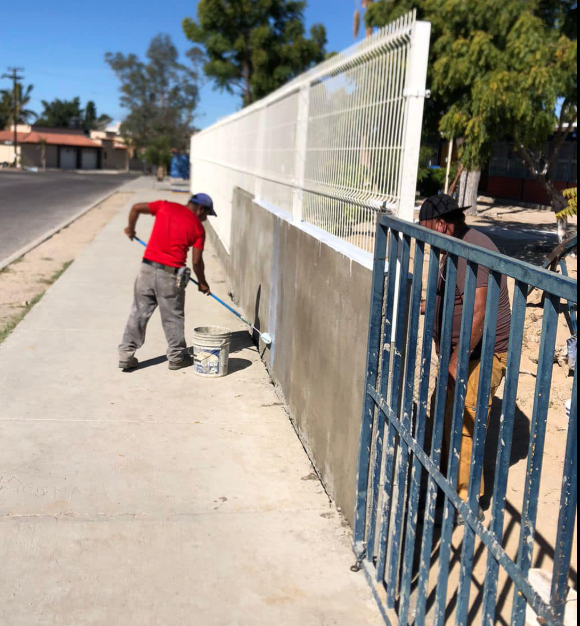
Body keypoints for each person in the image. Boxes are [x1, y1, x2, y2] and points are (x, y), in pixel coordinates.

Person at [419, 194, 512, 523]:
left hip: (482, 355)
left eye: (428, 230)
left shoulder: (474, 249)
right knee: (442, 412)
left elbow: (478, 311)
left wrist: (457, 358)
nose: (426, 239)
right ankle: (445, 480)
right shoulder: (453, 246)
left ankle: (466, 502)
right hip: (462, 354)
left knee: (464, 421)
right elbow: (454, 298)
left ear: (443, 224)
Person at [118, 193, 216, 371]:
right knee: (172, 317)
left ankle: (126, 355)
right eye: (206, 215)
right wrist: (203, 283)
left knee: (138, 313)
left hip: (146, 270)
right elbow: (196, 262)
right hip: (170, 277)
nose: (205, 219)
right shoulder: (198, 229)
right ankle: (177, 357)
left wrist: (130, 228)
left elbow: (136, 208)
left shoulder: (165, 206)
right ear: (201, 209)